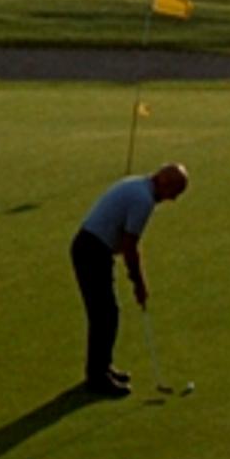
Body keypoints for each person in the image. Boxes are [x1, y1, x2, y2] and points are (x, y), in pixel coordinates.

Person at [71, 162, 187, 397]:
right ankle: (97, 377)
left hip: (92, 248)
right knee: (104, 315)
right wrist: (139, 284)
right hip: (91, 251)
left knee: (106, 313)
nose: (173, 199)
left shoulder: (137, 185)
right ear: (164, 182)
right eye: (174, 192)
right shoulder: (143, 200)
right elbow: (130, 247)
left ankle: (102, 367)